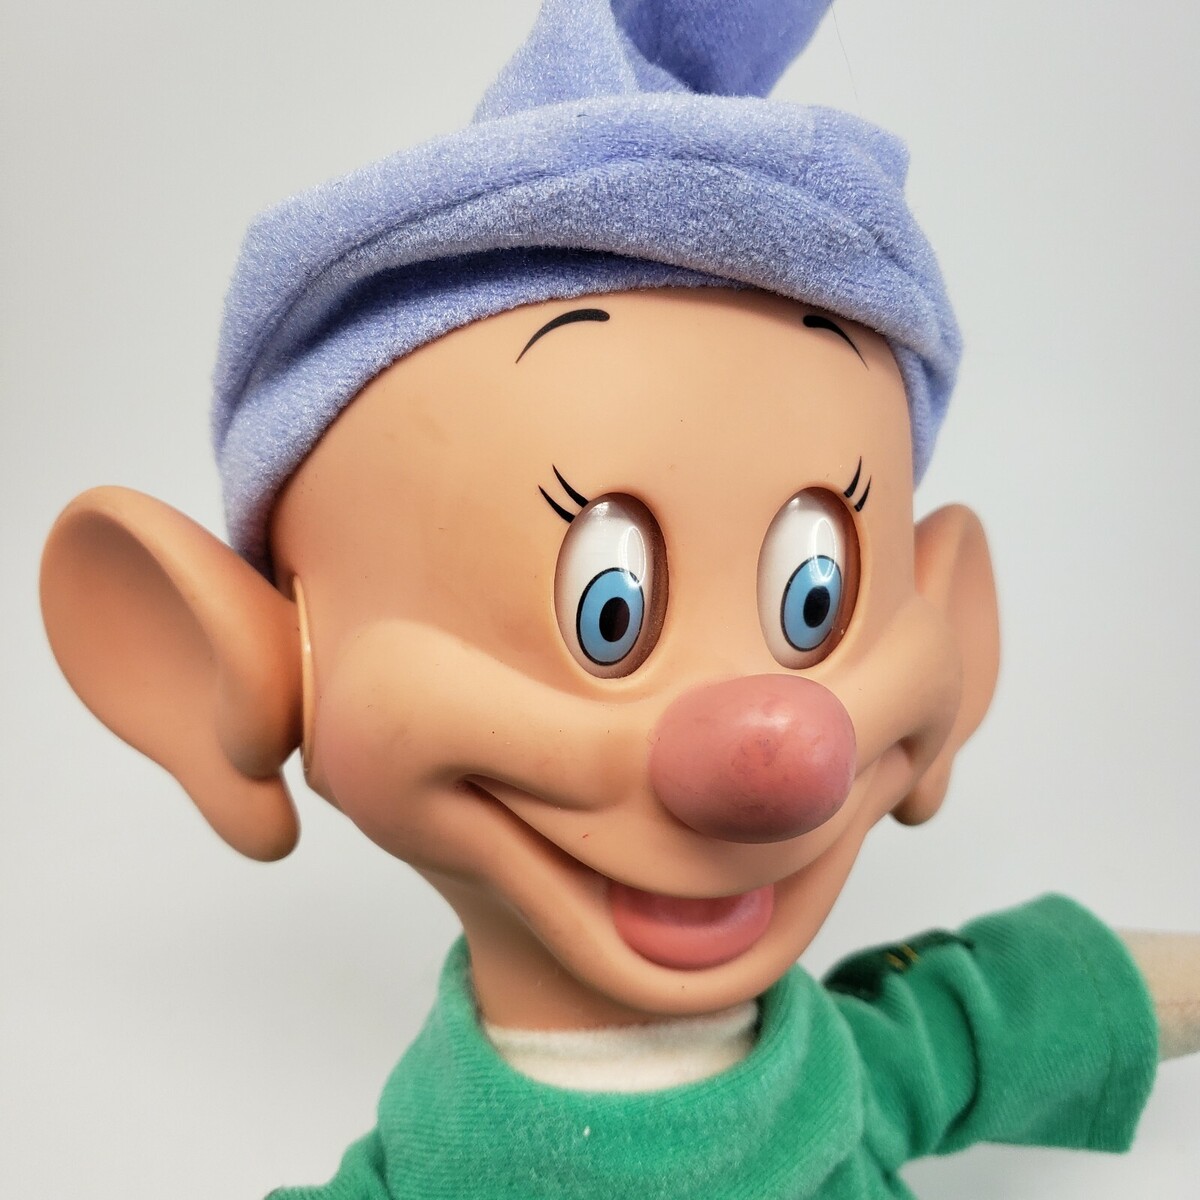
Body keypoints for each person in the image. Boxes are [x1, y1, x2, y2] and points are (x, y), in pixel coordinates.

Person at [38, 2, 1200, 1196]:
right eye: (613, 611)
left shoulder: (853, 1081)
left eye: (814, 603)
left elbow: (998, 1014)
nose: (774, 755)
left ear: (952, 633)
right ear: (227, 666)